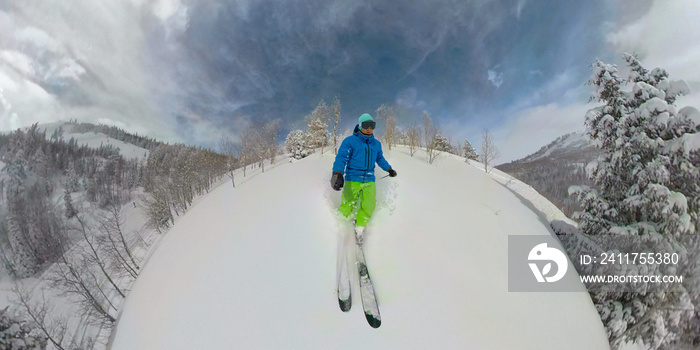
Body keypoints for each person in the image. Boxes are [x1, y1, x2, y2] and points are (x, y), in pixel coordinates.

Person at [331, 113, 397, 244]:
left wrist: (389, 169)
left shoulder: (376, 144)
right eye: (366, 125)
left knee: (369, 205)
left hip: (369, 181)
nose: (369, 128)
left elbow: (380, 159)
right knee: (347, 204)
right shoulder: (350, 141)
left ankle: (360, 226)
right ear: (360, 125)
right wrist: (337, 172)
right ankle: (338, 227)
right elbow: (342, 157)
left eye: (372, 125)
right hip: (352, 179)